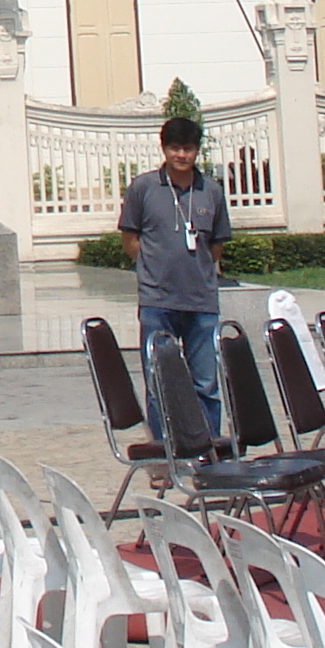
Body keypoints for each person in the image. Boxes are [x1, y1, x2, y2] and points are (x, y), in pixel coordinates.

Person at [119, 113, 230, 437]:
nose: (181, 155)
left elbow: (216, 245)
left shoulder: (211, 190)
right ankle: (164, 453)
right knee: (159, 382)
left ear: (197, 151)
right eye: (175, 148)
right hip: (158, 300)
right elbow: (130, 238)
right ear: (164, 149)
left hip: (201, 302)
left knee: (206, 383)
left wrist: (198, 272)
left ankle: (208, 451)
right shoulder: (144, 188)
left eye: (188, 148)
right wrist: (155, 268)